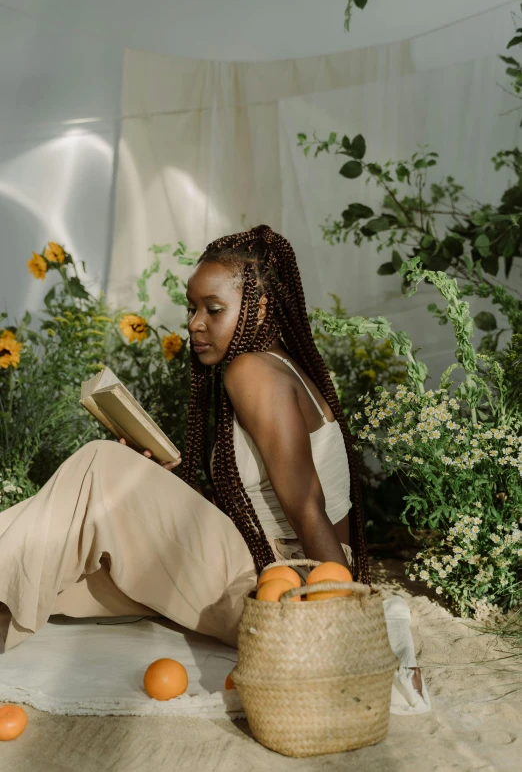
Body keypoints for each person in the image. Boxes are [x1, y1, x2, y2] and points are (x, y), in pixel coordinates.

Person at [0, 224, 424, 704]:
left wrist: (342, 621)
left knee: (99, 463)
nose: (195, 323)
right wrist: (155, 488)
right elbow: (268, 505)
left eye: (214, 309)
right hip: (273, 569)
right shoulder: (279, 365)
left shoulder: (253, 372)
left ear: (260, 308)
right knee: (63, 567)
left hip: (285, 587)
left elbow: (308, 507)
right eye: (192, 307)